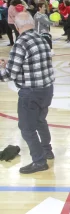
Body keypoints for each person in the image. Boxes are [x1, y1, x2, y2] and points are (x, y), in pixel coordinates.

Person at [0, 12, 55, 174]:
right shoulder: (42, 38)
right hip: (46, 89)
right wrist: (8, 64)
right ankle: (47, 150)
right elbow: (32, 63)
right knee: (40, 121)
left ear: (17, 27)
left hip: (30, 93)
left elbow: (9, 75)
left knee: (26, 128)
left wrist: (3, 69)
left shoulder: (21, 43)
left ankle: (39, 161)